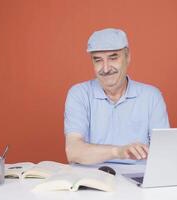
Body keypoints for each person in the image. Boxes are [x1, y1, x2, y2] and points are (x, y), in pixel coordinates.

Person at [64, 28, 169, 164]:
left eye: (113, 58)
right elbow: (73, 151)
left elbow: (164, 152)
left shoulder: (151, 96)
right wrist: (118, 152)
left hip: (138, 180)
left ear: (128, 57)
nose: (106, 68)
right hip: (92, 180)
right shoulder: (78, 94)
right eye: (98, 60)